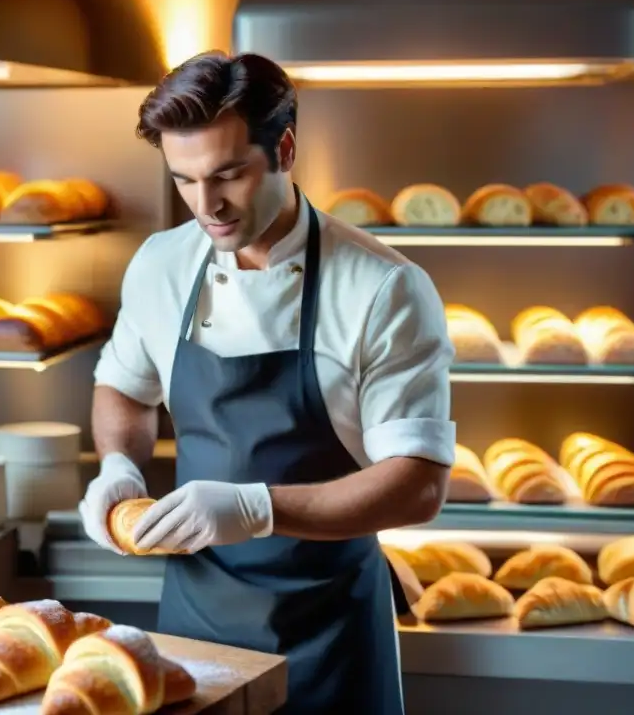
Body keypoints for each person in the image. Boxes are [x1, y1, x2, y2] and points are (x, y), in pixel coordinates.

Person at [80, 50, 455, 714]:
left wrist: (258, 509)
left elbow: (418, 483)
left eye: (229, 174)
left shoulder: (383, 289)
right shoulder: (160, 265)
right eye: (185, 181)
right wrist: (117, 466)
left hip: (329, 628)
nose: (207, 205)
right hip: (193, 625)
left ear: (282, 149)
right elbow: (123, 387)